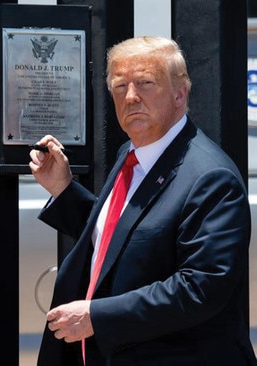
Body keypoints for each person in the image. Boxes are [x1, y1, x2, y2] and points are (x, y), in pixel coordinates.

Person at [29, 36, 256, 365]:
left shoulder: (210, 177)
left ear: (180, 93)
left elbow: (200, 288)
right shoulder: (132, 153)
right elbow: (125, 238)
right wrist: (64, 189)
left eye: (146, 83)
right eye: (120, 87)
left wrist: (97, 316)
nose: (131, 97)